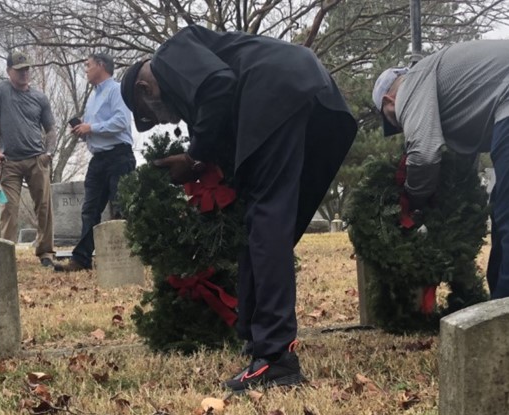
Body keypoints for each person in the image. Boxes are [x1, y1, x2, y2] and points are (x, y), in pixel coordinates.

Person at [121, 25, 356, 391]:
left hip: (277, 92)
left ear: (144, 88)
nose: (167, 122)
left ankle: (276, 357)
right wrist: (203, 166)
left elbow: (218, 86)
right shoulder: (202, 57)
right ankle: (257, 337)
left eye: (154, 115)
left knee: (266, 221)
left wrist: (194, 154)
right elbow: (224, 100)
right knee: (267, 224)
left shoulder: (169, 56)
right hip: (309, 94)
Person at [374, 40, 509, 300]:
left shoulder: (412, 83)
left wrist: (410, 201)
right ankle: (503, 302)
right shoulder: (447, 89)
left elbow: (423, 155)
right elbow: (464, 163)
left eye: (395, 122)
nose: (402, 128)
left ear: (390, 102)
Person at [57, 52, 135, 272]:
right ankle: (81, 260)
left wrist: (91, 128)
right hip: (98, 159)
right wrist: (84, 130)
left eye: (88, 65)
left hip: (119, 156)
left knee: (121, 207)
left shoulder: (117, 90)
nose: (86, 69)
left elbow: (121, 121)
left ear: (101, 66)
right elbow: (98, 126)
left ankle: (127, 258)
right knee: (90, 209)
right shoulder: (93, 97)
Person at [0, 50, 57, 266]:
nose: (24, 73)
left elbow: (51, 129)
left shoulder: (39, 97)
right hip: (9, 162)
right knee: (8, 207)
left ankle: (45, 253)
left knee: (44, 206)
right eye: (19, 70)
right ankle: (5, 255)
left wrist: (48, 153)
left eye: (26, 69)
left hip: (37, 159)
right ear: (9, 71)